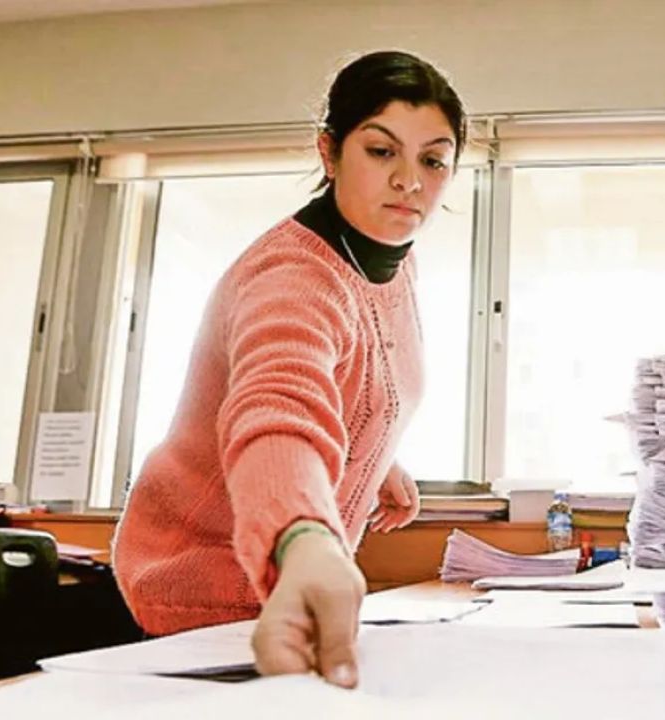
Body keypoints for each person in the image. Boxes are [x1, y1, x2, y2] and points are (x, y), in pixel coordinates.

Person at [112, 50, 467, 688]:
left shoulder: (390, 256)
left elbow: (347, 378)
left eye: (433, 159)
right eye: (382, 151)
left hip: (282, 588)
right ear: (329, 154)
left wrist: (371, 450)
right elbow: (277, 406)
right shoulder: (295, 276)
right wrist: (304, 536)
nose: (410, 182)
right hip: (208, 594)